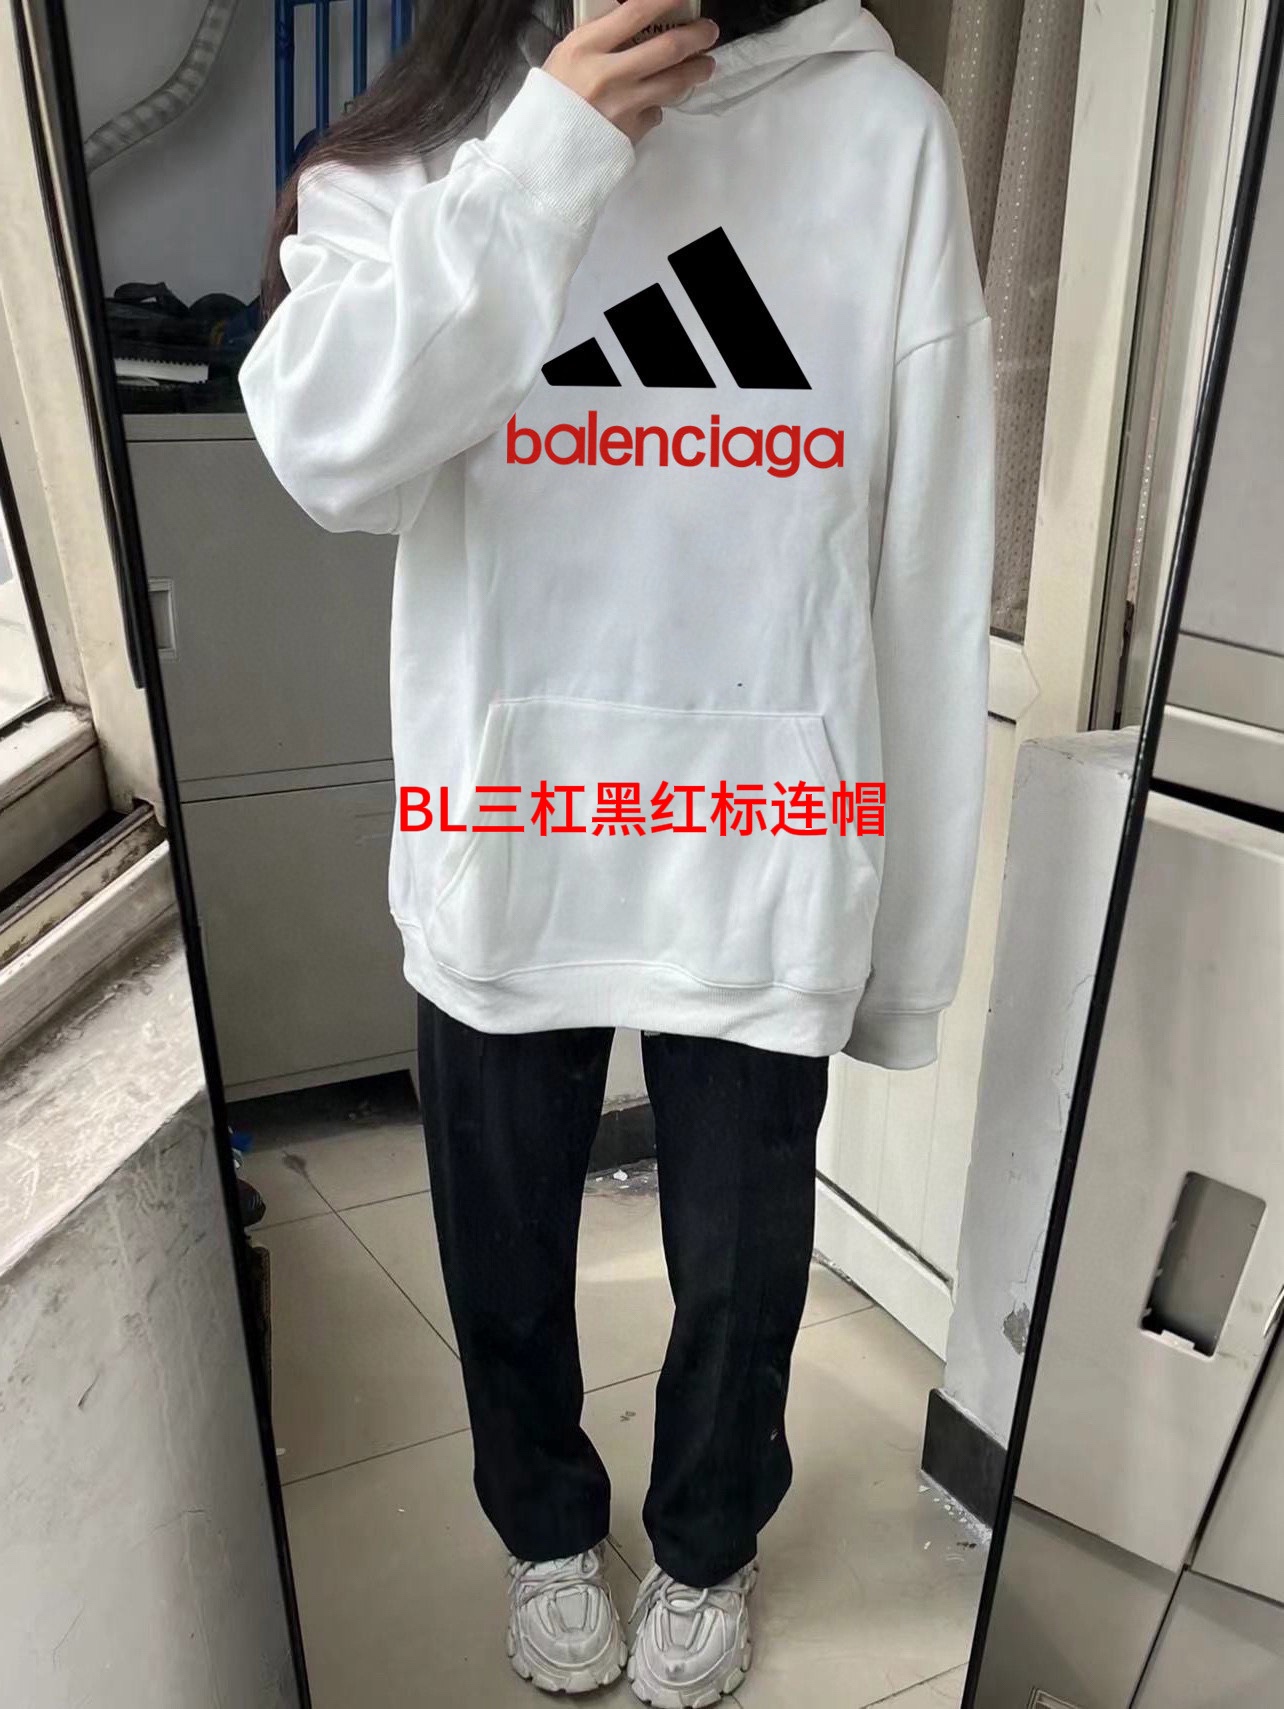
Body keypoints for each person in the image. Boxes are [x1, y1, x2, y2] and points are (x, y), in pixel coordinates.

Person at [239, 0, 994, 1700]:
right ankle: (546, 1529)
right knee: (500, 1252)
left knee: (744, 1272)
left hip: (766, 833)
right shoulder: (439, 136)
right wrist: (549, 151)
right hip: (507, 827)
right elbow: (327, 451)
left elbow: (930, 558)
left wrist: (903, 949)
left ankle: (709, 1544)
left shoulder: (884, 132)